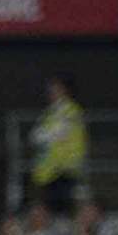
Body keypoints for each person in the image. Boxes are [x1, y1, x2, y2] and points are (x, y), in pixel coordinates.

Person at [30, 76, 88, 212]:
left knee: (62, 212)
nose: (51, 93)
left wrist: (44, 134)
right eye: (50, 90)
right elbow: (34, 136)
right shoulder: (51, 112)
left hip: (64, 170)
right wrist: (43, 135)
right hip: (49, 172)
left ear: (65, 91)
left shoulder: (70, 111)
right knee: (50, 211)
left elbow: (50, 134)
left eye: (55, 89)